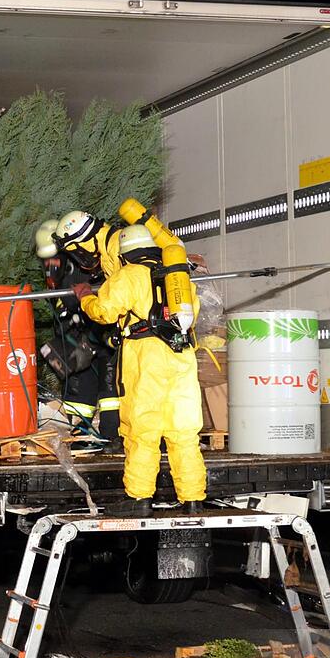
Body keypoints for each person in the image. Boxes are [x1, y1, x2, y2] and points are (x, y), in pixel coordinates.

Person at [73, 225, 207, 517]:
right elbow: (191, 315)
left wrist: (85, 298)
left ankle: (139, 499)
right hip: (182, 356)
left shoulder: (129, 275)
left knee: (142, 430)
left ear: (124, 254)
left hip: (147, 358)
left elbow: (105, 312)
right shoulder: (178, 278)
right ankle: (193, 499)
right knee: (183, 433)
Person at [34, 219, 123, 451]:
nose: (50, 265)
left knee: (109, 390)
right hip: (81, 336)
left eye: (54, 259)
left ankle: (112, 437)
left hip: (103, 335)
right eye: (46, 261)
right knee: (78, 390)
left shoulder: (89, 265)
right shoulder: (62, 272)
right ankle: (80, 436)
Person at [53, 210, 122, 279]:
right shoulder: (107, 248)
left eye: (76, 251)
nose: (80, 254)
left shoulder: (116, 251)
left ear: (82, 243)